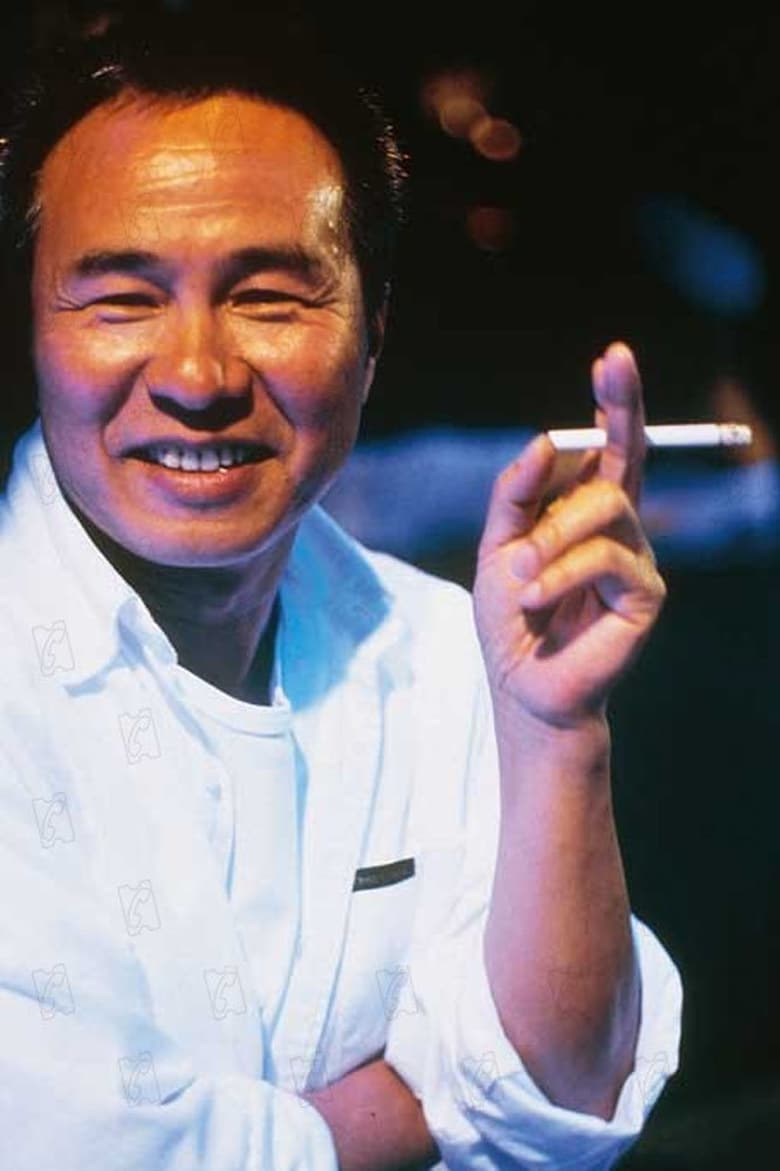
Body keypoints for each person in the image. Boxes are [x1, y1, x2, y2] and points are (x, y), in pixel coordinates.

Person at [0, 10, 681, 1170]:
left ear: (372, 338)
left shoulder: (442, 648)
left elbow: (568, 1097)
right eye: (122, 299)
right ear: (29, 327)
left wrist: (558, 733)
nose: (199, 376)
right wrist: (431, 1102)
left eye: (269, 296)